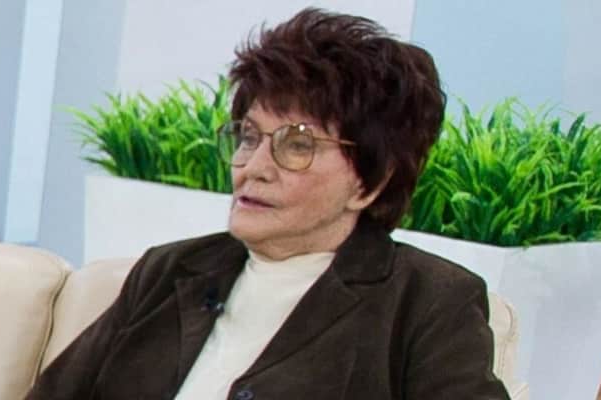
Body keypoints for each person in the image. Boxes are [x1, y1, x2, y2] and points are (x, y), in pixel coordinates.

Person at [27, 8, 510, 400]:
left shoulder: (427, 303)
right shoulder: (168, 272)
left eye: (297, 145)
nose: (253, 167)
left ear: (371, 182)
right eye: (249, 137)